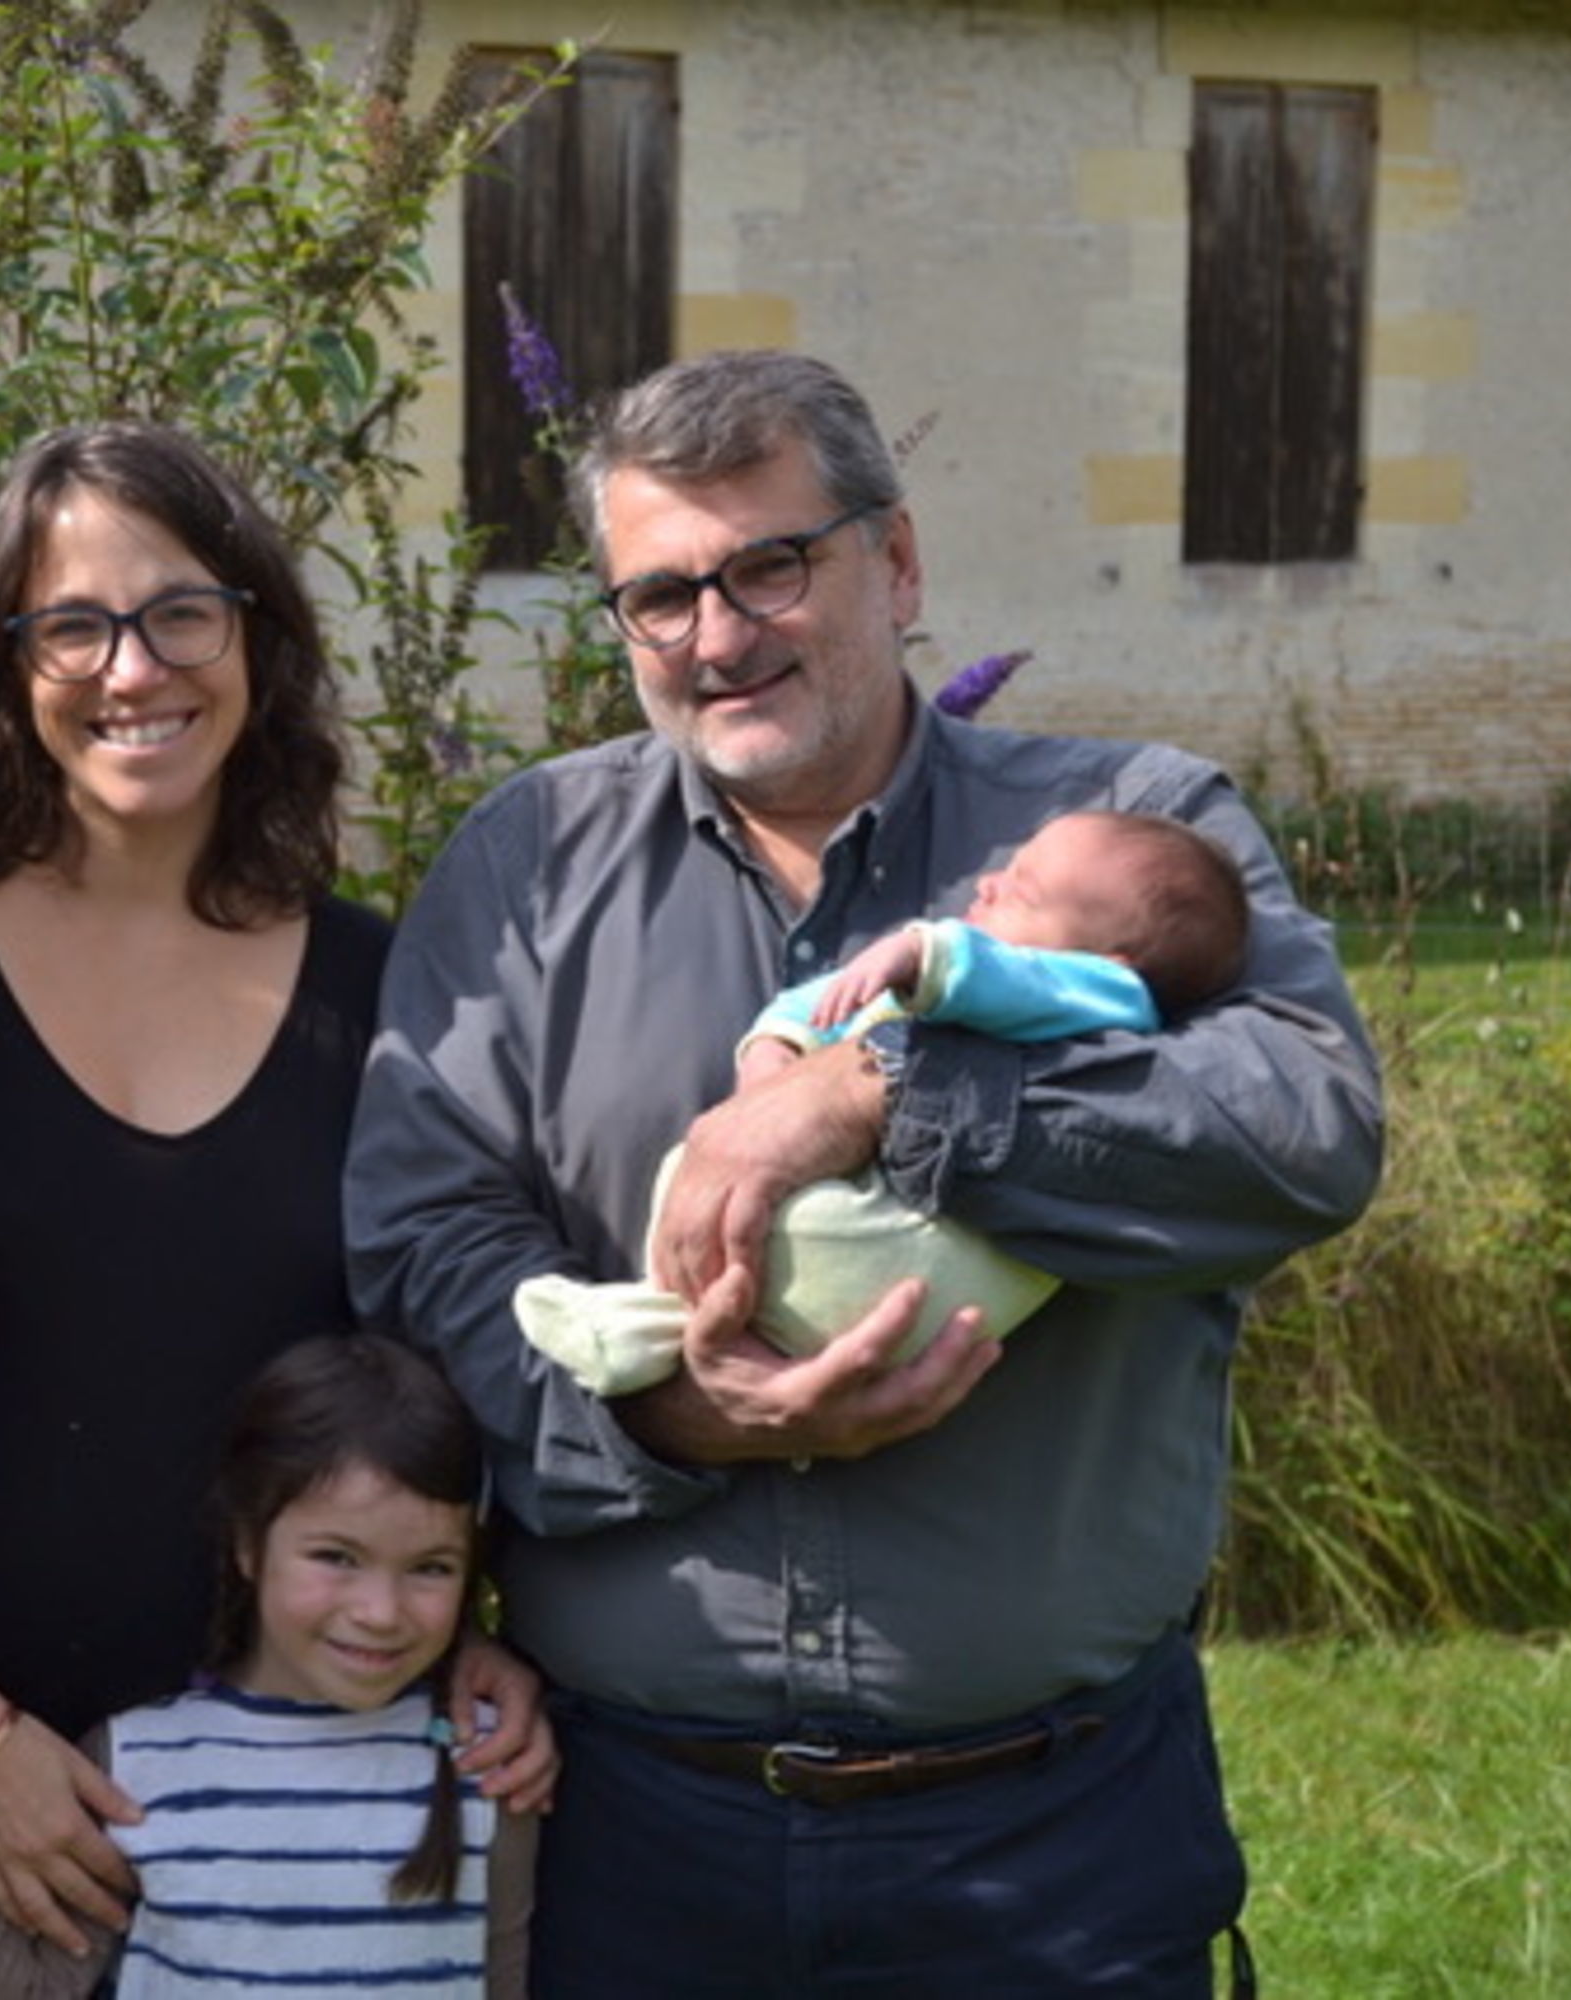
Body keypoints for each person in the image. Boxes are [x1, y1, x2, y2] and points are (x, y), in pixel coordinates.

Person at [346, 349, 1384, 1993]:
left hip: (1049, 1844)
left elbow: (1295, 1133)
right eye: (657, 595)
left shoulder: (1125, 832)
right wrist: (654, 1419)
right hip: (628, 1839)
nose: (714, 633)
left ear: (893, 564)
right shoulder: (521, 868)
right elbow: (420, 1246)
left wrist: (876, 1092)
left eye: (769, 564)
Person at [0, 422, 552, 1997]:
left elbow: (438, 1362)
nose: (134, 667)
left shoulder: (386, 989)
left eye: (183, 611)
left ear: (256, 634)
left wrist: (478, 1634)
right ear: (5, 661)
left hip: (282, 1817)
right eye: (74, 624)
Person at [0, 1334, 535, 1998]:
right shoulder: (137, 1764)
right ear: (246, 1541)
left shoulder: (486, 1764)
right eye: (337, 1557)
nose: (381, 1610)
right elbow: (35, 1988)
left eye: (430, 1568)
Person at [514, 808, 1251, 1396]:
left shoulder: (1104, 996)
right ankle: (643, 1332)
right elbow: (817, 1004)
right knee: (711, 1159)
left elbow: (1006, 977)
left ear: (1107, 958)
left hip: (918, 1266)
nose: (989, 884)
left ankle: (675, 1322)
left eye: (1023, 889)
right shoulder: (957, 982)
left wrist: (921, 950)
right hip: (881, 1273)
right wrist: (774, 1046)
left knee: (759, 1200)